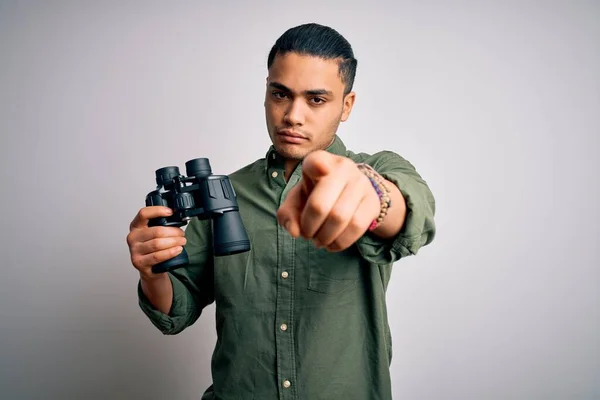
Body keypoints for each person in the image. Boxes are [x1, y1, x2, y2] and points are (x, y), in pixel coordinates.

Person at [126, 23, 436, 400]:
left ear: (346, 105)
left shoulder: (378, 169)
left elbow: (409, 216)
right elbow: (177, 309)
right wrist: (151, 268)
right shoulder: (228, 193)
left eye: (316, 100)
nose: (292, 115)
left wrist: (372, 196)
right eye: (280, 94)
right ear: (266, 93)